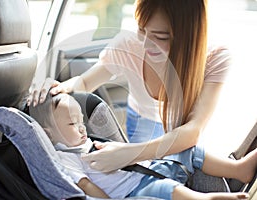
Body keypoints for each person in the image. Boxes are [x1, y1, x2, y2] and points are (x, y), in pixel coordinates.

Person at [27, 0, 245, 196]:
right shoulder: (130, 45)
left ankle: (239, 171)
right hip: (141, 124)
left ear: (188, 35)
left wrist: (129, 155)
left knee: (191, 158)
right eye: (142, 30)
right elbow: (84, 82)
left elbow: (192, 131)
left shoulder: (214, 58)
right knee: (147, 181)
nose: (145, 44)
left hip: (182, 133)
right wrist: (58, 88)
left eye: (160, 37)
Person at [30, 93, 256, 200]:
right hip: (131, 191)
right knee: (169, 190)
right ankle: (207, 199)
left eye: (81, 120)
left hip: (144, 169)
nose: (81, 128)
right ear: (49, 134)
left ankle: (238, 169)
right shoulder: (64, 159)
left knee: (186, 150)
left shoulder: (84, 141)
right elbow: (87, 187)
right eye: (72, 123)